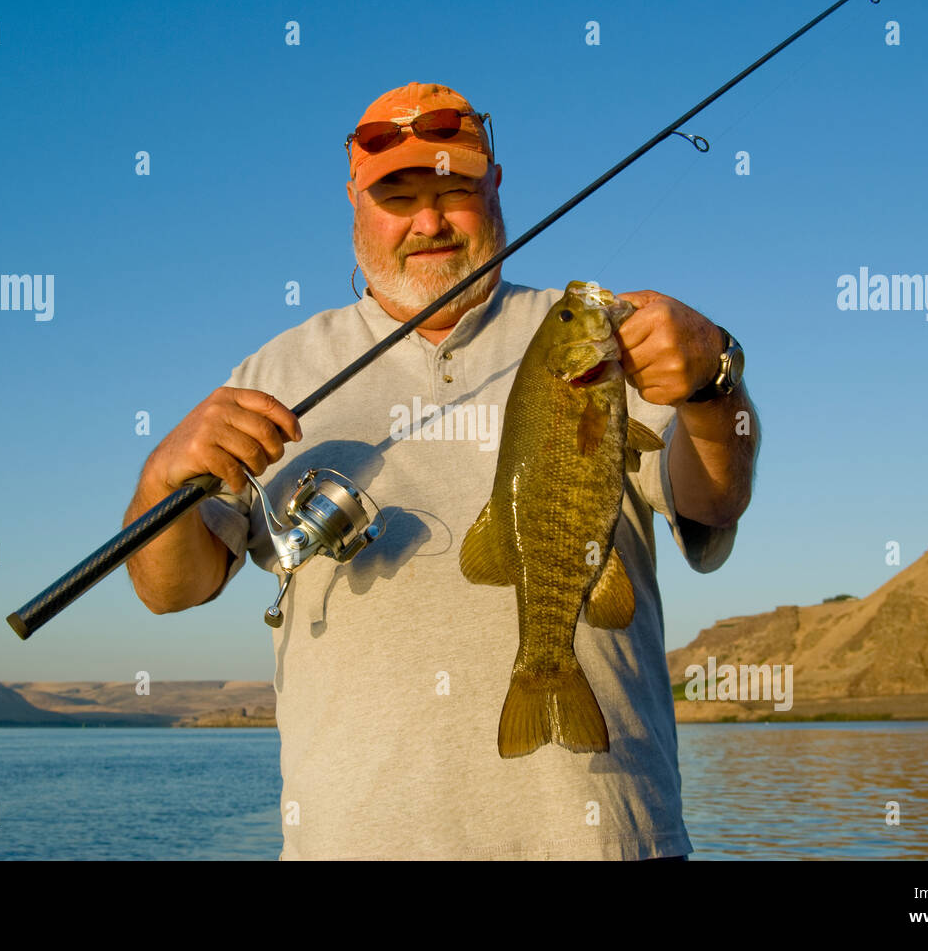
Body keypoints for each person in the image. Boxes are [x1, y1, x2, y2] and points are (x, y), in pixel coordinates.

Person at [123, 82, 759, 860]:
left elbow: (716, 502)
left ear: (495, 188)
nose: (429, 222)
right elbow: (169, 591)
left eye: (454, 189)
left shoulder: (602, 337)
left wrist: (715, 379)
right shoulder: (273, 371)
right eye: (399, 196)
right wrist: (163, 478)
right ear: (355, 202)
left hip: (607, 839)